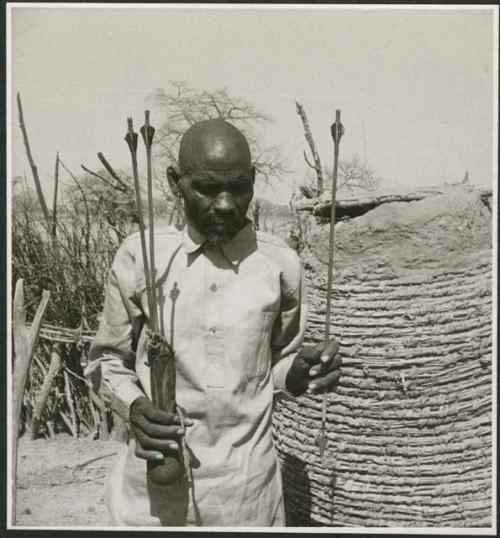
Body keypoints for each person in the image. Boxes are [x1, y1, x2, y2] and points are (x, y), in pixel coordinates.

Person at [86, 118, 341, 527]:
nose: (225, 204)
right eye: (207, 188)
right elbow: (106, 362)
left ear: (254, 181)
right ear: (175, 182)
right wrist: (133, 407)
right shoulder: (140, 257)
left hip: (249, 497)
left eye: (239, 187)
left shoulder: (281, 265)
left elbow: (276, 368)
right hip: (152, 501)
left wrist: (300, 372)